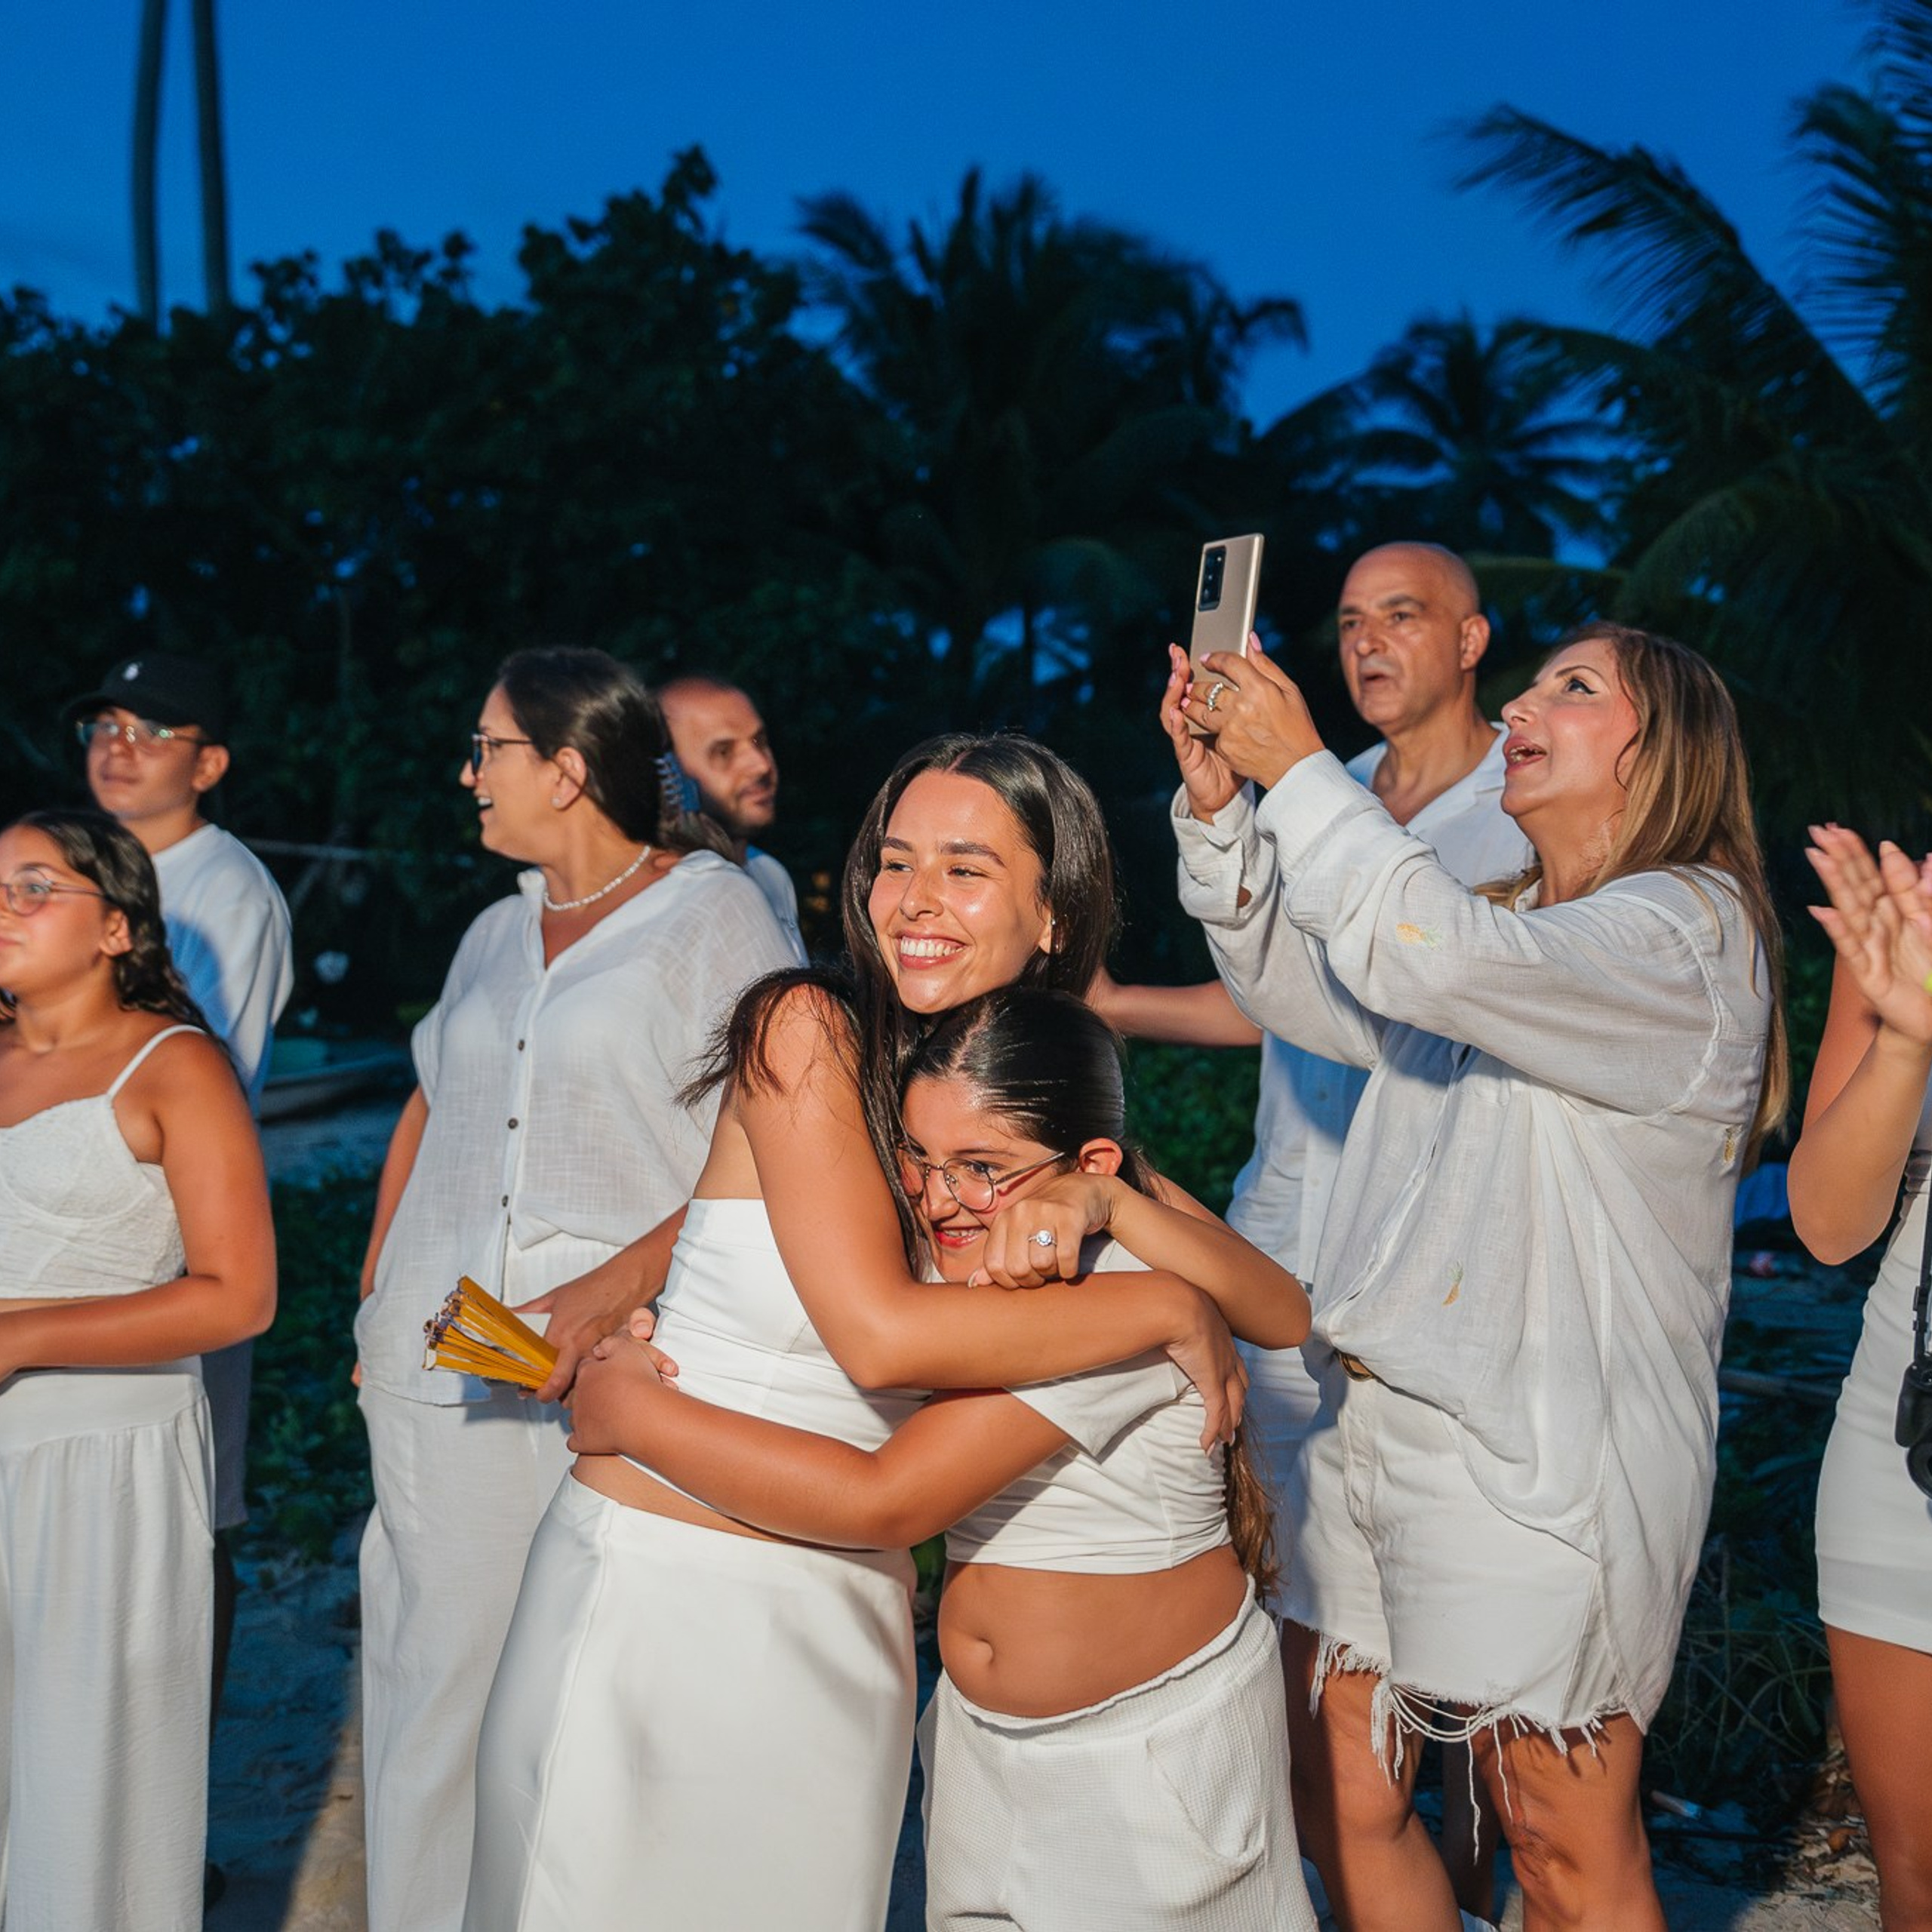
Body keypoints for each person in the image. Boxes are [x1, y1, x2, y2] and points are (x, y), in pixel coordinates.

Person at [463, 734, 1251, 1932]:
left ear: (1054, 915)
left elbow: (1272, 1301)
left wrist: (1127, 1216)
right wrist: (1158, 1307)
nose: (913, 901)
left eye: (967, 869)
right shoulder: (808, 1025)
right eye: (894, 862)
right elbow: (880, 1339)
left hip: (845, 1616)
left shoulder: (1007, 1104)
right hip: (672, 1602)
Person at [1164, 623, 1783, 1930]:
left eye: (1574, 688)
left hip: (1546, 1455)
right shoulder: (1504, 926)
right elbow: (1315, 993)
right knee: (1345, 1787)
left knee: (1557, 1838)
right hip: (1378, 1423)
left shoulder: (1686, 930)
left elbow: (1428, 951)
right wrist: (1223, 820)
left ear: (1659, 749)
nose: (1521, 705)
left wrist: (1303, 767)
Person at [568, 985, 1318, 1931]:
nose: (937, 1195)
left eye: (979, 1166)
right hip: (978, 1750)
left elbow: (890, 1499)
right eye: (917, 1160)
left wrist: (631, 1413)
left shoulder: (1103, 1293)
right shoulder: (969, 1262)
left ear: (1090, 1168)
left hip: (1143, 1754)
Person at [1096, 543, 1526, 1914]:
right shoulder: (1305, 793)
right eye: (1348, 620)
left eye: (1404, 614)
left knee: (1463, 1657)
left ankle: (1474, 1881)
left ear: (1473, 638)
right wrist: (1117, 1004)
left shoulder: (1524, 809)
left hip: (1435, 1265)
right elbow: (1269, 985)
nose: (1368, 641)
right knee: (1299, 1624)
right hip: (1285, 1241)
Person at [352, 648, 801, 1932]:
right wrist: (377, 1296)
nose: (466, 774)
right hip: (441, 1369)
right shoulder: (494, 930)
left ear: (566, 767)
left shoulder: (717, 913)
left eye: (485, 748)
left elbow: (776, 1142)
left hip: (616, 1373)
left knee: (595, 1701)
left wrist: (609, 1287)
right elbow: (438, 1104)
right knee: (434, 1688)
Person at [0, 808, 275, 1931]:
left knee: (81, 1788)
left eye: (31, 888)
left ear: (117, 925)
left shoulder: (176, 1065)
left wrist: (16, 1338)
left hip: (101, 1467)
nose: (2, 911)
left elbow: (237, 1294)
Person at [66, 648, 295, 1869]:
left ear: (208, 762)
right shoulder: (59, 869)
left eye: (154, 730)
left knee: (184, 1529)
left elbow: (212, 1083)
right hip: (55, 1241)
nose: (120, 744)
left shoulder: (223, 892)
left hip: (164, 1248)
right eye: (105, 722)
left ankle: (169, 1817)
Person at [1789, 825, 1932, 1932]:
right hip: (1905, 1452)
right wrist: (1907, 1043)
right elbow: (1830, 1225)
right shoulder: (1903, 914)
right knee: (1919, 1876)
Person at [660, 672, 801, 949]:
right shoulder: (664, 898)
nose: (761, 765)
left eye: (759, 741)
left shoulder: (772, 875)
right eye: (724, 752)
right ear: (670, 773)